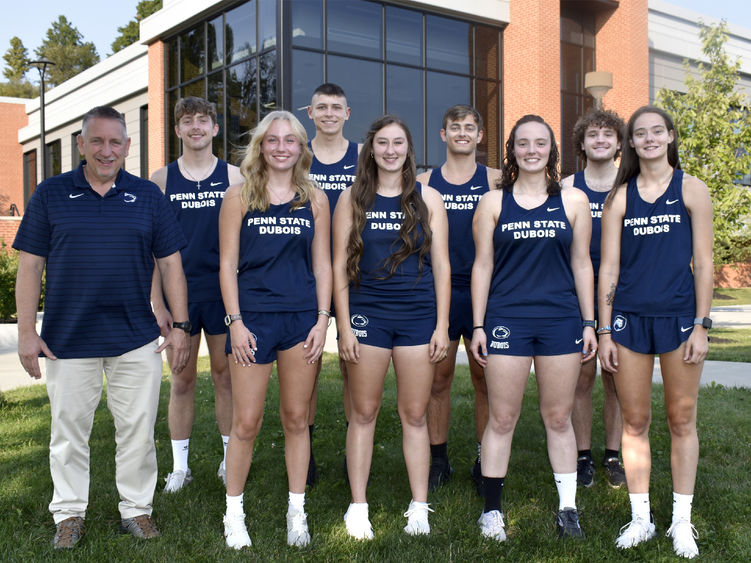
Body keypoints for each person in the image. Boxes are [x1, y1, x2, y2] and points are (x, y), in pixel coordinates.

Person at [13, 106, 190, 549]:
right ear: (81, 145)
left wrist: (181, 324)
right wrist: (26, 333)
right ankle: (69, 514)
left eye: (115, 142)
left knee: (138, 430)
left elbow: (170, 264)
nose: (106, 150)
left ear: (128, 147)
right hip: (68, 340)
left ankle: (137, 510)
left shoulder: (148, 196)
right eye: (97, 141)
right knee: (69, 432)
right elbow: (30, 267)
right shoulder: (50, 194)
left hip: (135, 338)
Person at [470, 114, 596, 542]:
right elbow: (482, 266)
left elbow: (582, 264)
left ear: (552, 150)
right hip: (507, 319)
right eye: (522, 143)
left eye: (540, 143)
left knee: (558, 416)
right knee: (502, 417)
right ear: (511, 151)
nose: (531, 150)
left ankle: (568, 510)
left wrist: (589, 322)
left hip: (560, 319)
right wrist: (478, 324)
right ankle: (491, 512)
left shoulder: (574, 201)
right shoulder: (491, 203)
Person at [598, 106, 713, 559]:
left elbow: (703, 263)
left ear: (670, 136)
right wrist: (605, 329)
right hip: (628, 321)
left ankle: (681, 522)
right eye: (639, 134)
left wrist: (702, 324)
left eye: (655, 132)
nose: (647, 139)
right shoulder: (620, 197)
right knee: (635, 421)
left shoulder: (692, 189)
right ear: (631, 143)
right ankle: (642, 518)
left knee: (682, 419)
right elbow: (608, 267)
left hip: (680, 319)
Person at [333, 114, 450, 539]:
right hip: (369, 316)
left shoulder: (429, 199)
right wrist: (344, 326)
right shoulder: (352, 198)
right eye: (382, 143)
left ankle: (419, 507)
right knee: (363, 413)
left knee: (414, 415)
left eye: (397, 142)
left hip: (418, 317)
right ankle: (358, 507)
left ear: (408, 148)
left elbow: (442, 266)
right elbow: (336, 266)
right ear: (370, 149)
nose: (390, 150)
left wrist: (441, 325)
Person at [218, 110, 331, 549]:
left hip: (301, 320)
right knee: (246, 422)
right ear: (260, 146)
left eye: (290, 140)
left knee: (297, 419)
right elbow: (226, 265)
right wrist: (236, 322)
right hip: (253, 321)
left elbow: (322, 265)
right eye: (272, 140)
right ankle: (234, 513)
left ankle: (296, 512)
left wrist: (323, 319)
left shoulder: (315, 198)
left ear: (301, 148)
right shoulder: (239, 195)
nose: (281, 147)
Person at [150, 97, 243, 492]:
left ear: (215, 128)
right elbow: (152, 250)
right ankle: (179, 468)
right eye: (187, 121)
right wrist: (157, 303)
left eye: (203, 120)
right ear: (177, 130)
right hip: (179, 297)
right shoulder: (161, 179)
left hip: (222, 293)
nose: (195, 128)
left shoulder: (236, 177)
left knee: (225, 379)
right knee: (181, 379)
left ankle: (227, 461)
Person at [416, 104, 500, 494]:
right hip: (439, 293)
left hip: (489, 292)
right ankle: (438, 459)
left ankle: (485, 459)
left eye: (470, 127)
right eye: (455, 127)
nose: (462, 133)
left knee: (487, 380)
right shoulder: (424, 183)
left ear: (481, 136)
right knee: (438, 378)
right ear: (442, 135)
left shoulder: (497, 181)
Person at [561, 109, 627, 489]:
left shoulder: (631, 184)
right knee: (583, 377)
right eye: (592, 135)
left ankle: (613, 454)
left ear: (619, 143)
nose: (600, 140)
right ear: (581, 144)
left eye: (607, 134)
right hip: (577, 293)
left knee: (617, 378)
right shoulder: (568, 187)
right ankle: (583, 455)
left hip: (624, 292)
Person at [305, 83, 361, 487]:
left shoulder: (362, 157)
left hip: (354, 271)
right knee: (305, 364)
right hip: (304, 270)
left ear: (347, 113)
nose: (328, 113)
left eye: (335, 107)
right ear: (310, 113)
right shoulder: (297, 154)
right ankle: (302, 452)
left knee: (350, 361)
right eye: (321, 107)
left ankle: (351, 448)